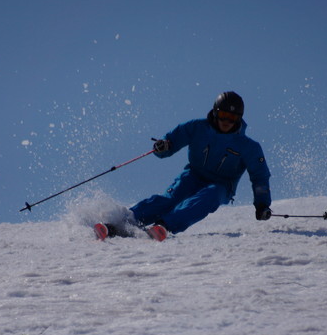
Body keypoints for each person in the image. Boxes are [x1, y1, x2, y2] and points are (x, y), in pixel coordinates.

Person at [104, 91, 272, 240]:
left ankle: (164, 226)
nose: (227, 121)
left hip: (222, 184)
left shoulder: (248, 146)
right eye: (223, 115)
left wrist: (262, 205)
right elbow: (172, 141)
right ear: (215, 112)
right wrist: (163, 146)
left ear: (239, 119)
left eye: (233, 118)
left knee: (209, 197)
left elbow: (260, 177)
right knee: (171, 198)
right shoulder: (197, 127)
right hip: (194, 175)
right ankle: (124, 222)